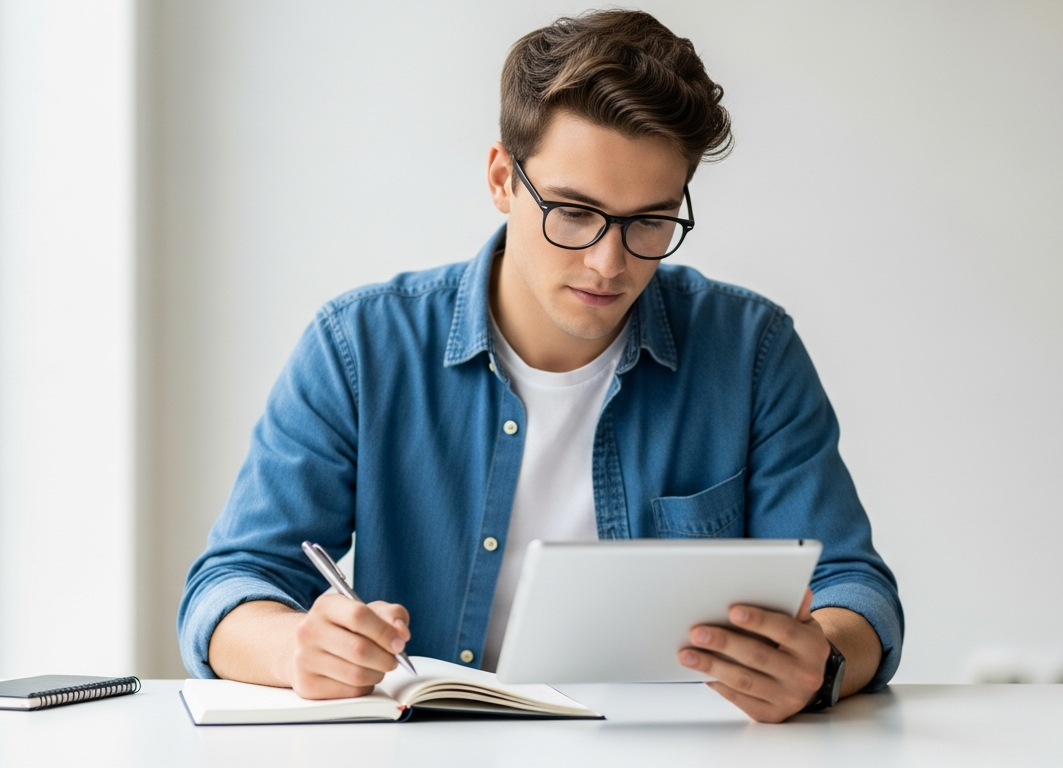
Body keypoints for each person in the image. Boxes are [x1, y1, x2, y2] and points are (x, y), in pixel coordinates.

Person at [178, 9, 902, 723]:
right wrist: (295, 646)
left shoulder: (751, 351)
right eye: (574, 212)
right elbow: (230, 584)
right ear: (502, 178)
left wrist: (823, 662)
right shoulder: (361, 347)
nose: (608, 262)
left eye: (651, 220)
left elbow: (853, 587)